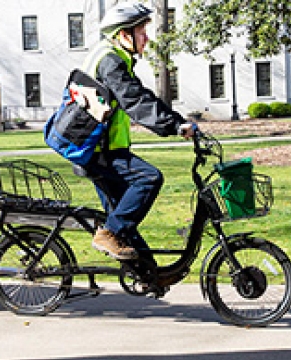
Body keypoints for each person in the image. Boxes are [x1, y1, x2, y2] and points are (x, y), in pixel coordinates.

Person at [83, 2, 196, 261]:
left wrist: (175, 120)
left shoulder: (111, 56)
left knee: (123, 216)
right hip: (102, 151)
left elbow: (139, 96)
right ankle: (108, 234)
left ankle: (149, 275)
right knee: (149, 179)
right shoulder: (110, 62)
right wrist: (176, 126)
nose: (146, 38)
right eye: (141, 32)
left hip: (98, 150)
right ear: (124, 35)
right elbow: (135, 101)